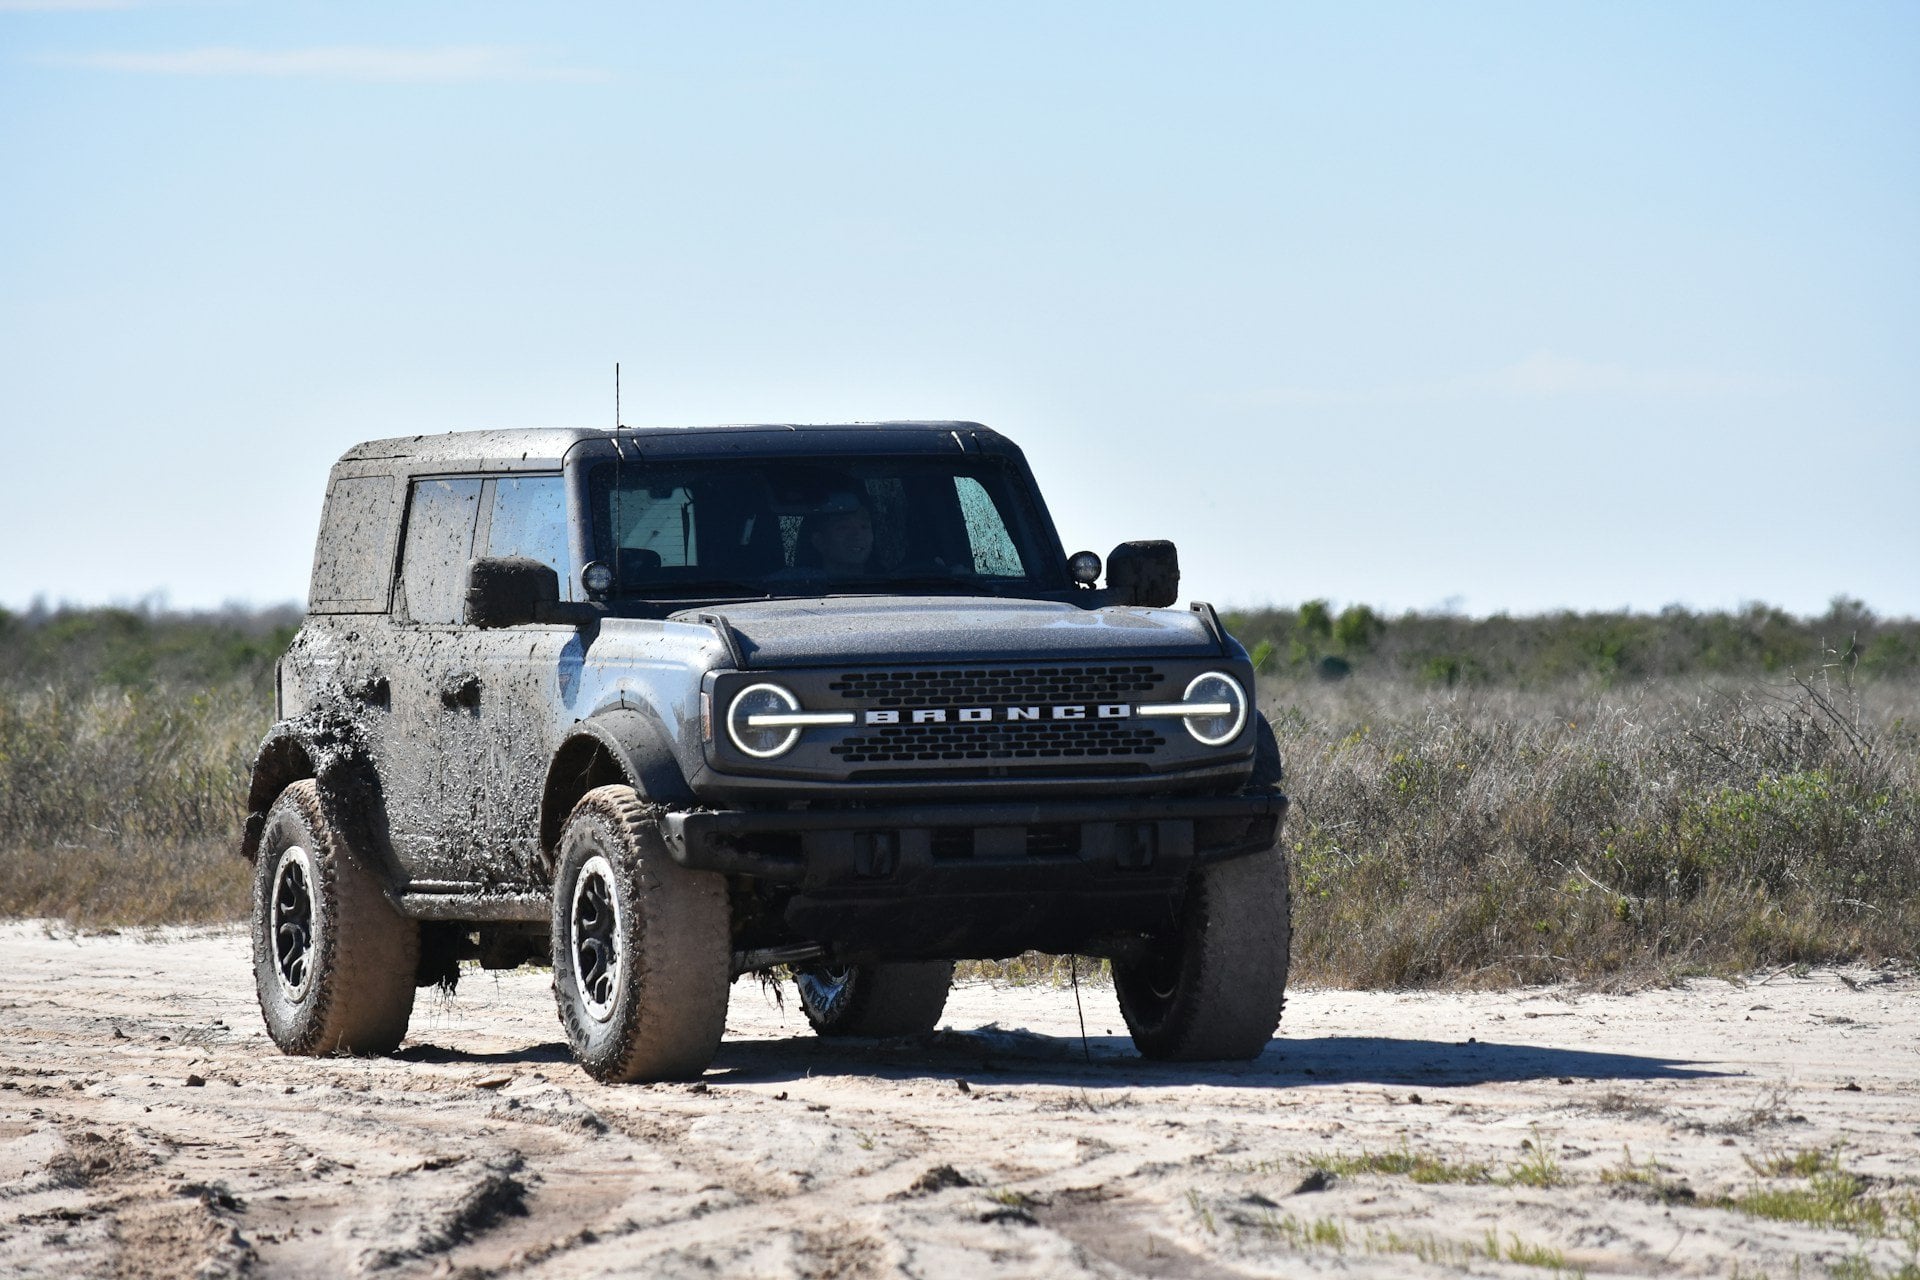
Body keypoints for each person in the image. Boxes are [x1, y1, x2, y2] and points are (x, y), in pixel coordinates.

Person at [798, 493, 875, 574]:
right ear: (819, 541)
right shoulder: (797, 584)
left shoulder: (887, 582)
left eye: (864, 527)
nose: (858, 534)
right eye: (844, 527)